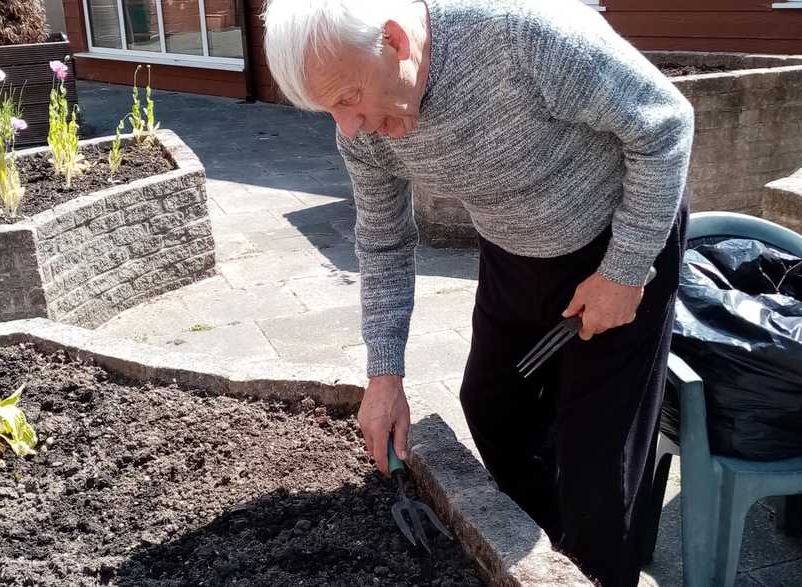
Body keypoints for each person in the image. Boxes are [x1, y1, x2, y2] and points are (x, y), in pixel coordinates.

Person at [262, 0, 694, 584]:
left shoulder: (523, 34)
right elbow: (384, 244)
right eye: (329, 110)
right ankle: (555, 552)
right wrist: (384, 376)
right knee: (493, 407)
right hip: (512, 252)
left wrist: (625, 270)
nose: (348, 127)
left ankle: (605, 565)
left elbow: (666, 122)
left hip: (617, 244)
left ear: (394, 40)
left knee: (598, 461)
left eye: (346, 97)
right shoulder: (366, 134)